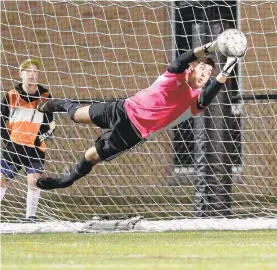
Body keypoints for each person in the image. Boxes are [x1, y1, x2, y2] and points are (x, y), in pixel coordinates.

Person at [35, 38, 242, 190]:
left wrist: (227, 69)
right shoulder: (174, 75)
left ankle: (66, 180)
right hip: (123, 108)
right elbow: (181, 60)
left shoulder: (194, 100)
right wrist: (210, 46)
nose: (205, 77)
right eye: (202, 70)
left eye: (208, 76)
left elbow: (208, 96)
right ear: (192, 69)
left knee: (92, 155)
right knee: (77, 115)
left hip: (133, 132)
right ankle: (56, 104)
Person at [0, 59, 55, 222]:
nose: (32, 74)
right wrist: (8, 139)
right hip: (14, 147)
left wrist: (38, 139)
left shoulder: (45, 96)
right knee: (2, 180)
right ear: (20, 74)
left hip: (35, 149)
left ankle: (30, 218)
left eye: (35, 71)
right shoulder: (11, 95)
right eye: (28, 71)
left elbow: (51, 125)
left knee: (34, 182)